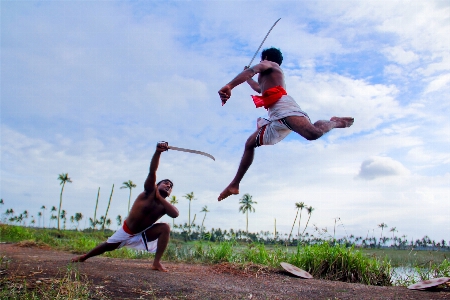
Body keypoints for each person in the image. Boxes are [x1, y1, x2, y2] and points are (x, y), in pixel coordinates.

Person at [217, 47, 354, 201]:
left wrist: (230, 85)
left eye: (262, 61)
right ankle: (234, 184)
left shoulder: (270, 65)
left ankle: (335, 122)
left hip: (283, 107)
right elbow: (258, 87)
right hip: (275, 115)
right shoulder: (268, 77)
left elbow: (253, 71)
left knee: (313, 133)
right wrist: (248, 78)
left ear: (266, 58)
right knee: (250, 143)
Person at [72, 142, 179, 272]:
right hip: (127, 230)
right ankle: (84, 256)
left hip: (143, 233)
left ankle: (156, 263)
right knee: (107, 246)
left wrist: (161, 198)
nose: (168, 186)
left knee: (165, 228)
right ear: (157, 185)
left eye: (171, 186)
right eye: (166, 183)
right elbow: (152, 171)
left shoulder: (164, 205)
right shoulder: (149, 192)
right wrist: (158, 152)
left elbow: (175, 214)